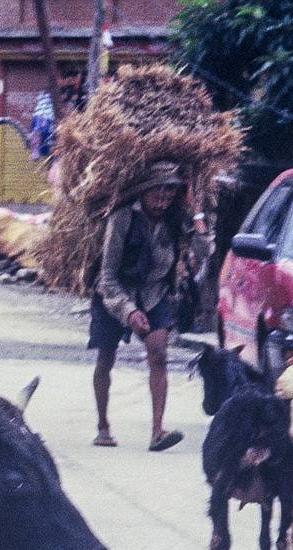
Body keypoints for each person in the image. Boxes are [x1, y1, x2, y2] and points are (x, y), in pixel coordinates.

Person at [89, 159, 211, 451]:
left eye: (169, 196)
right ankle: (103, 425)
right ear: (143, 192)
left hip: (154, 293)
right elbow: (106, 276)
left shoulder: (175, 220)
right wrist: (128, 311)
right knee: (106, 358)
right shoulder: (122, 218)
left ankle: (158, 431)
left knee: (158, 355)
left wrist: (197, 217)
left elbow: (204, 252)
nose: (162, 201)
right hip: (116, 293)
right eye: (157, 194)